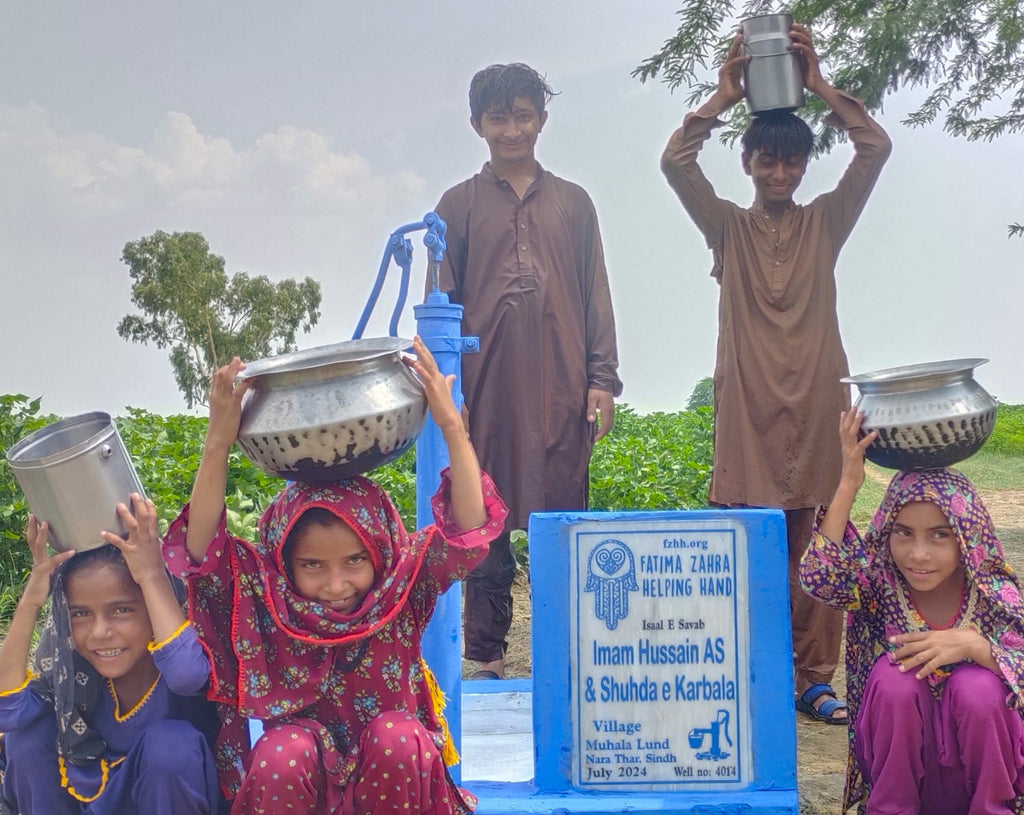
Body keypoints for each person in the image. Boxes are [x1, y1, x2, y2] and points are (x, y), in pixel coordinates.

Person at [161, 336, 508, 814]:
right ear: (285, 564)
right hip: (305, 782)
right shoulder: (269, 596)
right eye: (312, 566)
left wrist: (448, 424)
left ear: (381, 554)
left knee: (399, 736)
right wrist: (219, 439)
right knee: (282, 752)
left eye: (354, 561)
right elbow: (203, 554)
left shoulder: (402, 585)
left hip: (394, 781)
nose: (336, 584)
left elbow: (468, 530)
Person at [660, 23, 892, 721]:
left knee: (822, 536)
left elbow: (875, 148)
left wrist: (819, 85)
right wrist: (723, 97)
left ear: (804, 167)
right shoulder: (726, 226)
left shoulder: (826, 221)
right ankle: (753, 671)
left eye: (791, 163)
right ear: (749, 163)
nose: (780, 174)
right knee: (749, 543)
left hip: (820, 406)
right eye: (767, 161)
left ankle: (816, 677)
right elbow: (676, 163)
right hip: (749, 411)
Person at [432, 62, 622, 680]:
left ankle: (568, 654)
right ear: (476, 125)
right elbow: (443, 304)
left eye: (522, 114)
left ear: (541, 120)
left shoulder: (574, 202)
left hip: (562, 388)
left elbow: (596, 293)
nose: (511, 128)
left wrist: (602, 380)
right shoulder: (456, 206)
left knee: (560, 519)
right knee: (482, 522)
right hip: (484, 394)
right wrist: (449, 393)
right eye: (498, 117)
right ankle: (485, 655)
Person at [800, 409, 1024, 813]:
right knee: (894, 679)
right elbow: (820, 579)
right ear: (888, 533)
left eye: (940, 535)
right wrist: (849, 482)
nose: (918, 554)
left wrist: (976, 646)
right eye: (904, 533)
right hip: (900, 778)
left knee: (977, 688)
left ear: (966, 538)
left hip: (979, 781)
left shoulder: (993, 594)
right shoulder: (880, 585)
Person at [0, 497, 220, 814]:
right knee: (27, 737)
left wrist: (152, 575)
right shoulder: (72, 673)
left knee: (172, 744)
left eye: (121, 610)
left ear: (152, 607)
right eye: (80, 614)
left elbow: (189, 676)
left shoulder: (176, 664)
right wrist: (31, 601)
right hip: (85, 794)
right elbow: (8, 712)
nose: (100, 632)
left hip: (165, 796)